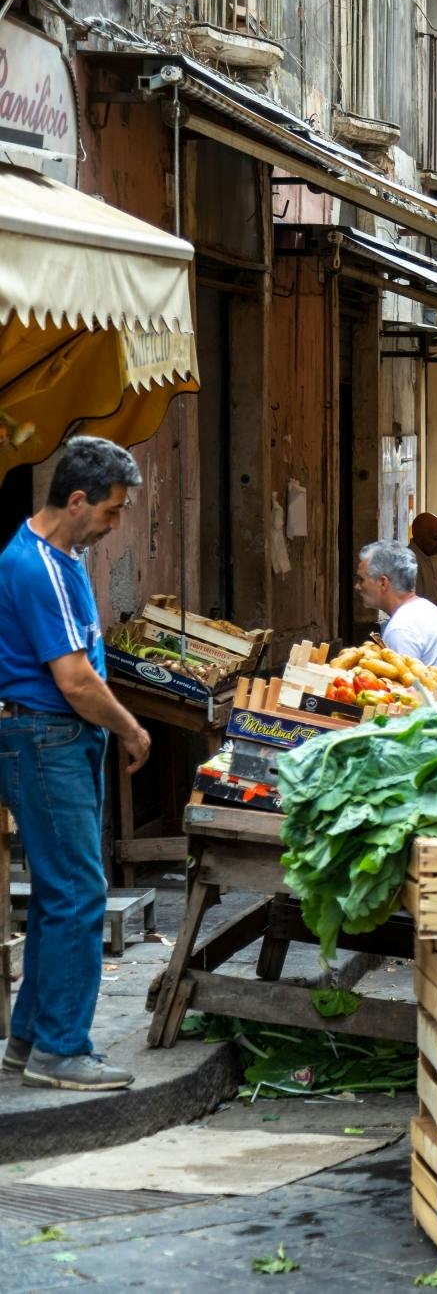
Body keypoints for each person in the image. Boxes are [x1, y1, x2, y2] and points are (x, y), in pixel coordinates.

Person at [0, 438, 153, 1091]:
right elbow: (75, 679)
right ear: (78, 499)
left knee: (59, 892)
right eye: (112, 510)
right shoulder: (35, 565)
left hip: (56, 738)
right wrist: (130, 727)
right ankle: (61, 1050)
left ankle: (29, 1038)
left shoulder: (61, 556)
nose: (115, 523)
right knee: (80, 892)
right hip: (47, 738)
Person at [355, 540, 437, 693]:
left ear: (382, 583)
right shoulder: (427, 610)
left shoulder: (402, 629)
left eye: (361, 579)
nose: (357, 586)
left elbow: (402, 696)